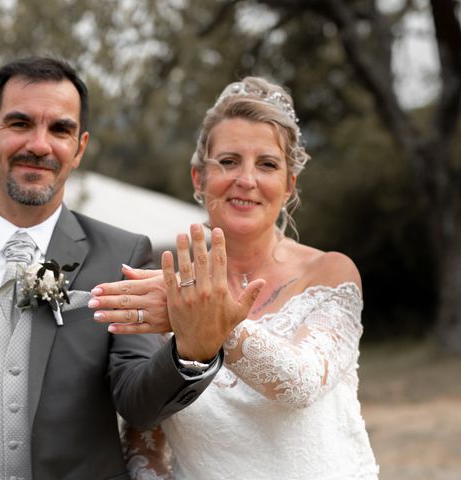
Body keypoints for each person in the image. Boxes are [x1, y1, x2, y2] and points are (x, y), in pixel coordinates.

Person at [0, 56, 242, 480]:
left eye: (60, 129)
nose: (40, 145)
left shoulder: (121, 254)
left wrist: (192, 351)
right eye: (20, 124)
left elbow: (138, 403)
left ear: (79, 148)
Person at [90, 76, 379, 479]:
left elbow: (299, 384)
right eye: (228, 161)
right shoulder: (161, 287)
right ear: (198, 178)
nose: (246, 180)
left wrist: (197, 319)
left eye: (267, 164)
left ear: (289, 185)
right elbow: (143, 434)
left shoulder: (329, 273)